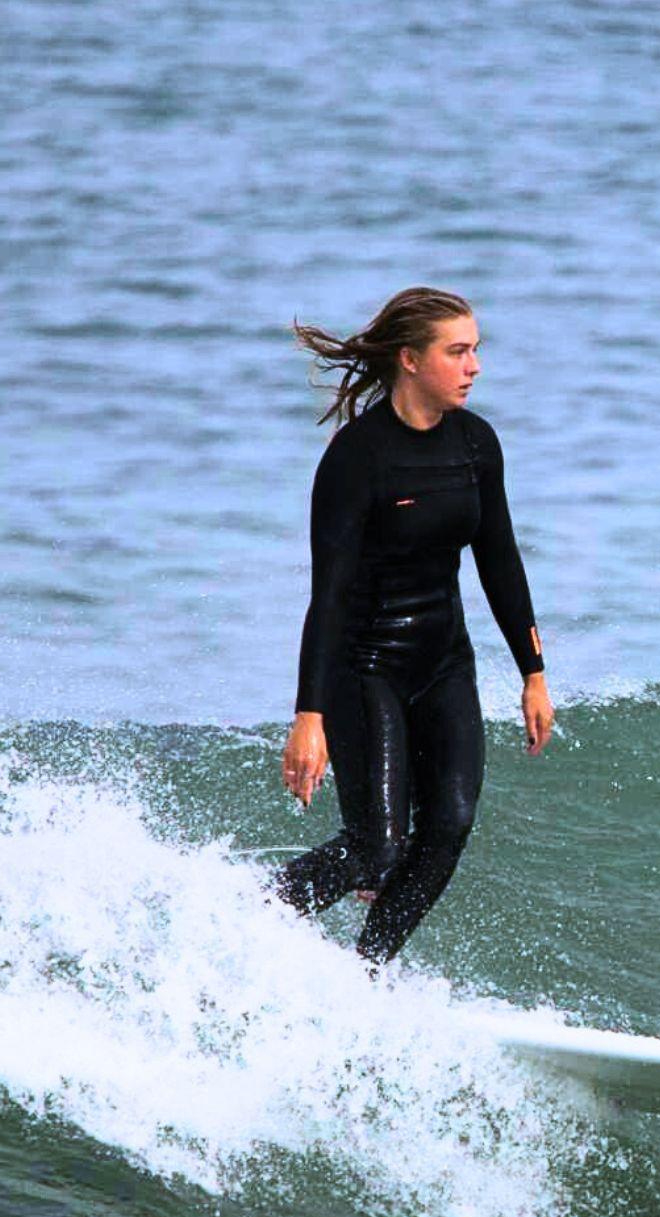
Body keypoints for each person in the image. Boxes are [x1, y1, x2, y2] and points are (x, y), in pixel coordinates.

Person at [272, 286, 554, 963]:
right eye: (457, 351)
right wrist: (309, 715)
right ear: (410, 360)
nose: (474, 366)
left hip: (444, 662)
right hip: (365, 667)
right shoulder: (357, 458)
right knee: (376, 844)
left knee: (449, 826)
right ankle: (259, 911)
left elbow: (500, 559)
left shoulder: (476, 445)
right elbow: (329, 595)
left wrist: (533, 671)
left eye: (476, 350)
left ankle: (364, 972)